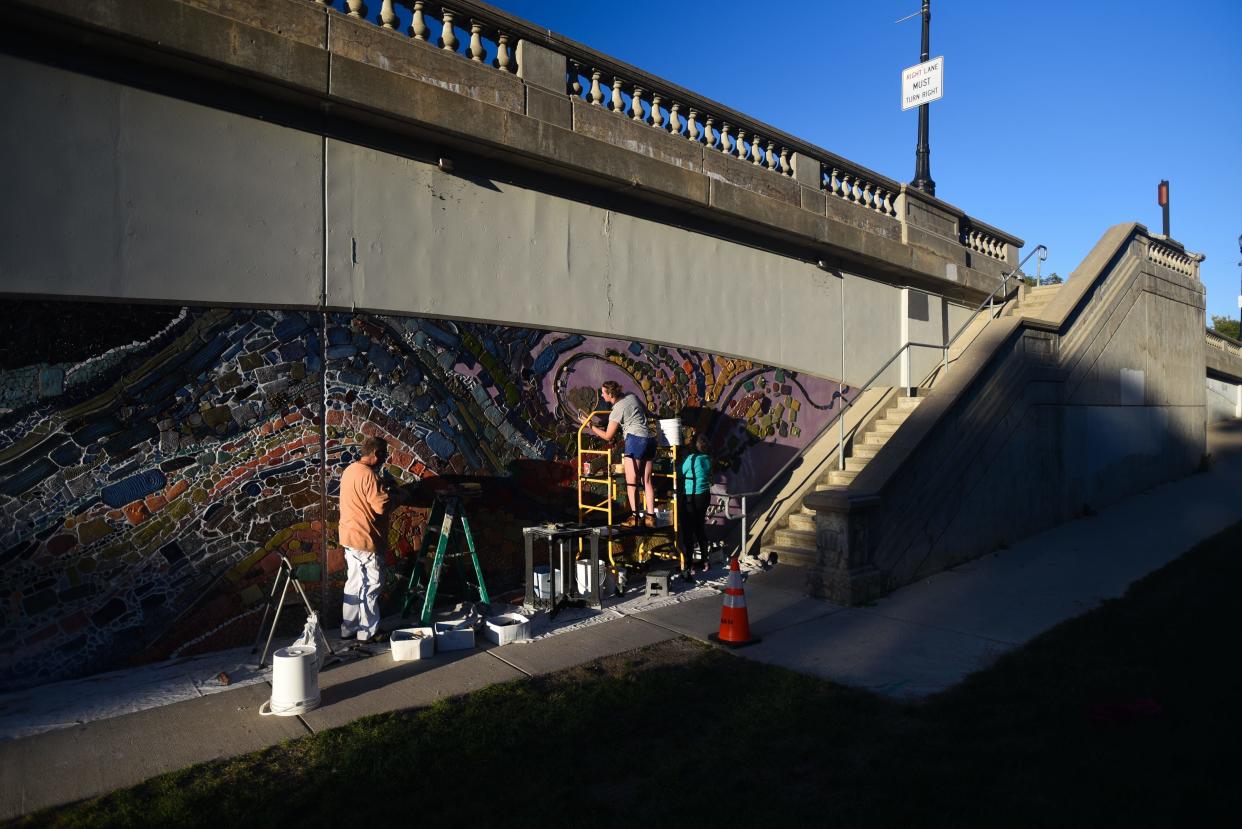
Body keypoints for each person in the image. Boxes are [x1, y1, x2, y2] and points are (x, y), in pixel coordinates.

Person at [338, 436, 407, 642]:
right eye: (384, 455)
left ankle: (348, 628)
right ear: (376, 454)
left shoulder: (350, 470)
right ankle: (367, 632)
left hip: (349, 537)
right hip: (366, 539)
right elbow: (381, 507)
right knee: (371, 584)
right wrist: (398, 497)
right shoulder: (370, 476)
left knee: (353, 583)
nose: (385, 459)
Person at [581, 380, 656, 526]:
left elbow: (608, 436)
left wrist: (590, 426)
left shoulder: (617, 410)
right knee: (646, 481)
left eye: (603, 393)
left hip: (635, 441)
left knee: (631, 482)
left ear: (610, 394)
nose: (602, 396)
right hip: (649, 440)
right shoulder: (632, 396)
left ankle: (635, 518)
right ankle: (651, 517)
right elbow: (646, 412)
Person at [679, 432, 713, 573]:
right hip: (705, 496)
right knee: (699, 527)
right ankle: (705, 561)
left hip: (691, 496)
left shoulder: (692, 459)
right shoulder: (707, 459)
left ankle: (689, 563)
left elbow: (681, 471)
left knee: (688, 529)